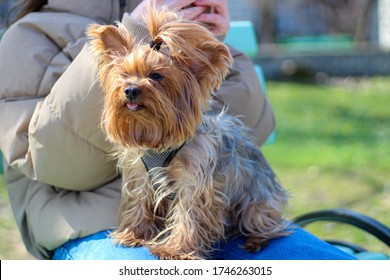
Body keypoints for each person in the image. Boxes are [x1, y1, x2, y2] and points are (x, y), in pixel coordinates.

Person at [0, 0, 355, 260]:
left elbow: (244, 134)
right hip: (89, 224)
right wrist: (136, 26)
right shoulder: (27, 38)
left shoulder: (183, 16)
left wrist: (205, 43)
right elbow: (59, 164)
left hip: (224, 219)